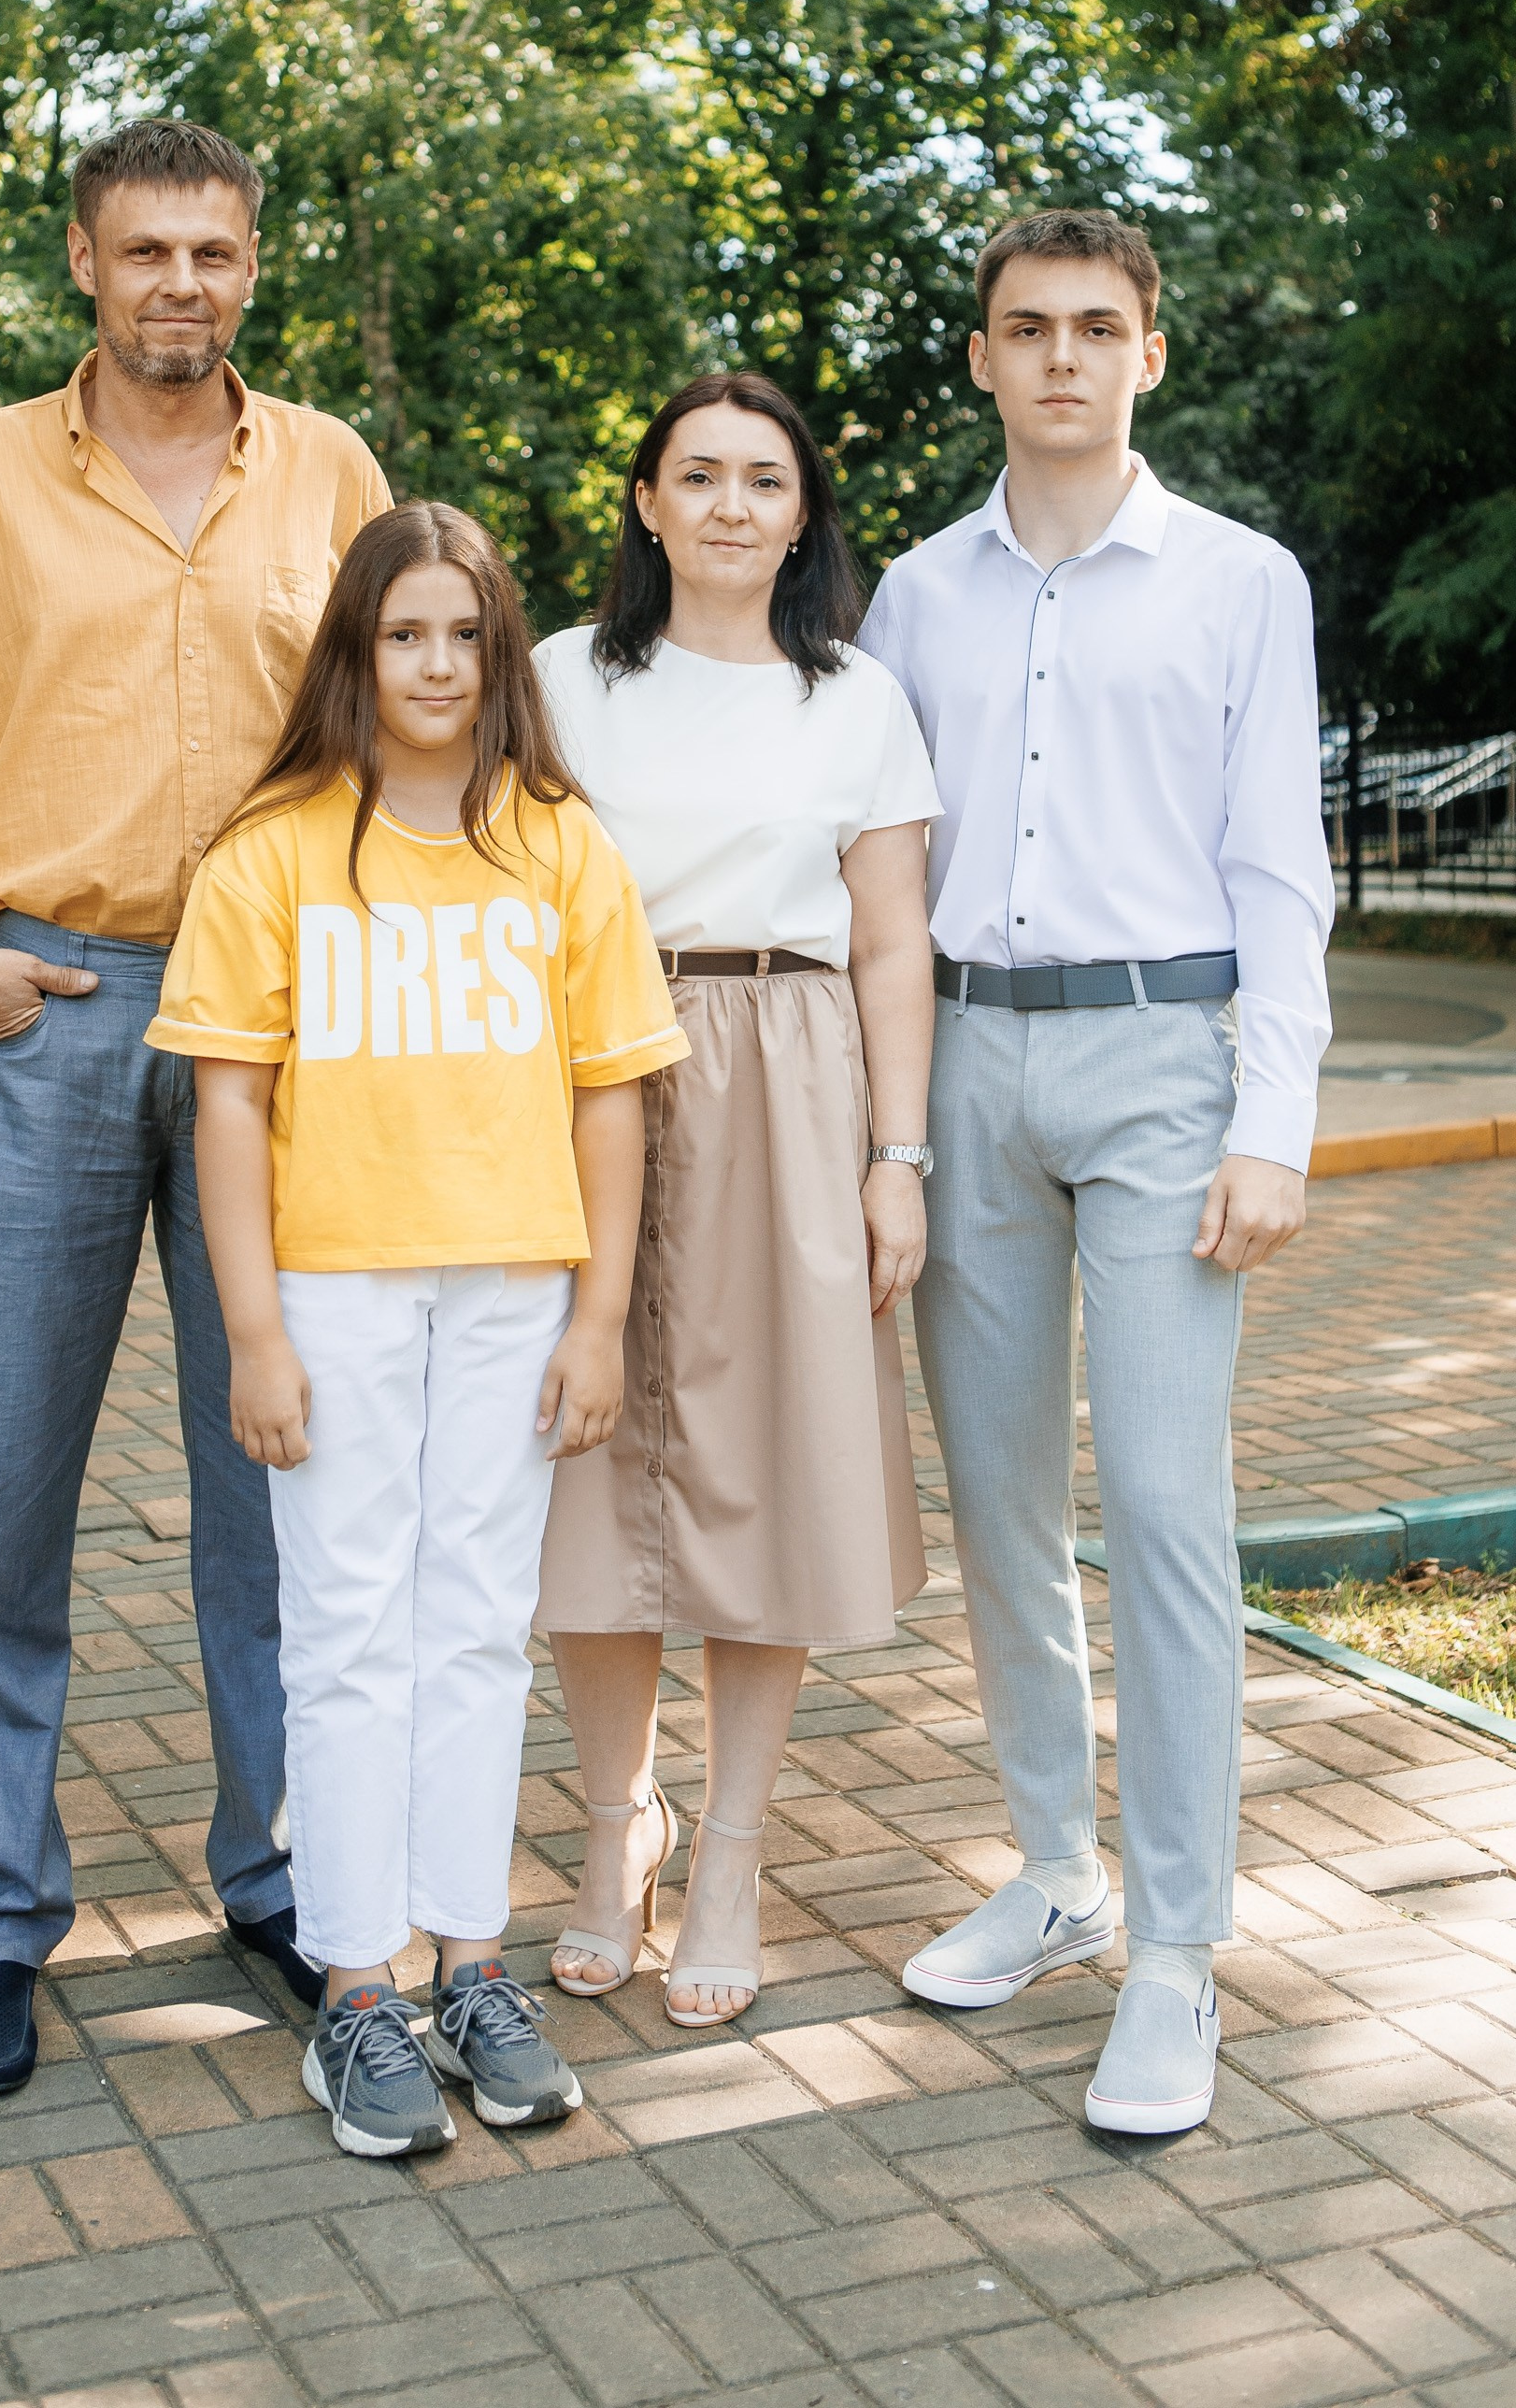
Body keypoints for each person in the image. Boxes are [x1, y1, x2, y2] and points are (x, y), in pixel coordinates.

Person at [0, 116, 390, 2098]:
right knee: (1, 1498)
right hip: (46, 1013)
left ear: (253, 262)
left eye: (212, 250)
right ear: (83, 258)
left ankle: (290, 1879)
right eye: (145, 248)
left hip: (280, 1032)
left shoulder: (329, 472)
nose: (179, 282)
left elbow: (404, 724)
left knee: (282, 1486)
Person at [859, 207, 1332, 2138]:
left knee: (1158, 1502)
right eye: (1024, 326)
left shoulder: (1237, 579)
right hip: (966, 1057)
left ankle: (1176, 1950)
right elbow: (874, 871)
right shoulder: (912, 594)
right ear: (980, 356)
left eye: (1092, 325)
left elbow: (1277, 863)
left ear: (1147, 350)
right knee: (994, 1500)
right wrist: (883, 1131)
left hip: (1161, 1062)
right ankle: (1056, 1873)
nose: (1058, 354)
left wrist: (1270, 1120)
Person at [150, 502, 689, 2159]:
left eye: (465, 634)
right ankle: (355, 1989)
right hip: (334, 1292)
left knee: (472, 1627)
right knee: (344, 1628)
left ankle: (468, 1965)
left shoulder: (559, 846)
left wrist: (598, 1319)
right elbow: (225, 1110)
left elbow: (609, 1100)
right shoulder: (274, 851)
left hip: (515, 1292)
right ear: (357, 653)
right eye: (405, 635)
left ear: (500, 652)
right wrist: (253, 1333)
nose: (438, 665)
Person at [534, 374, 939, 2027]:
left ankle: (733, 1853)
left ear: (800, 513)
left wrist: (897, 1157)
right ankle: (613, 1823)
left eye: (761, 479)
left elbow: (893, 942)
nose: (726, 505)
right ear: (644, 503)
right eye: (693, 475)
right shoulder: (559, 679)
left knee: (769, 1462)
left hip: (788, 1069)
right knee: (586, 1462)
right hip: (589, 1071)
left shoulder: (857, 700)